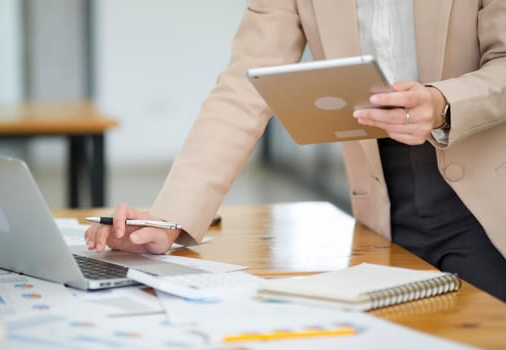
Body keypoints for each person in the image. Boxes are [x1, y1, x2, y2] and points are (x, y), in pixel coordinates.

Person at [85, 1, 506, 301]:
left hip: (489, 194)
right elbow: (243, 87)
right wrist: (168, 220)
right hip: (383, 201)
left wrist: (443, 103)